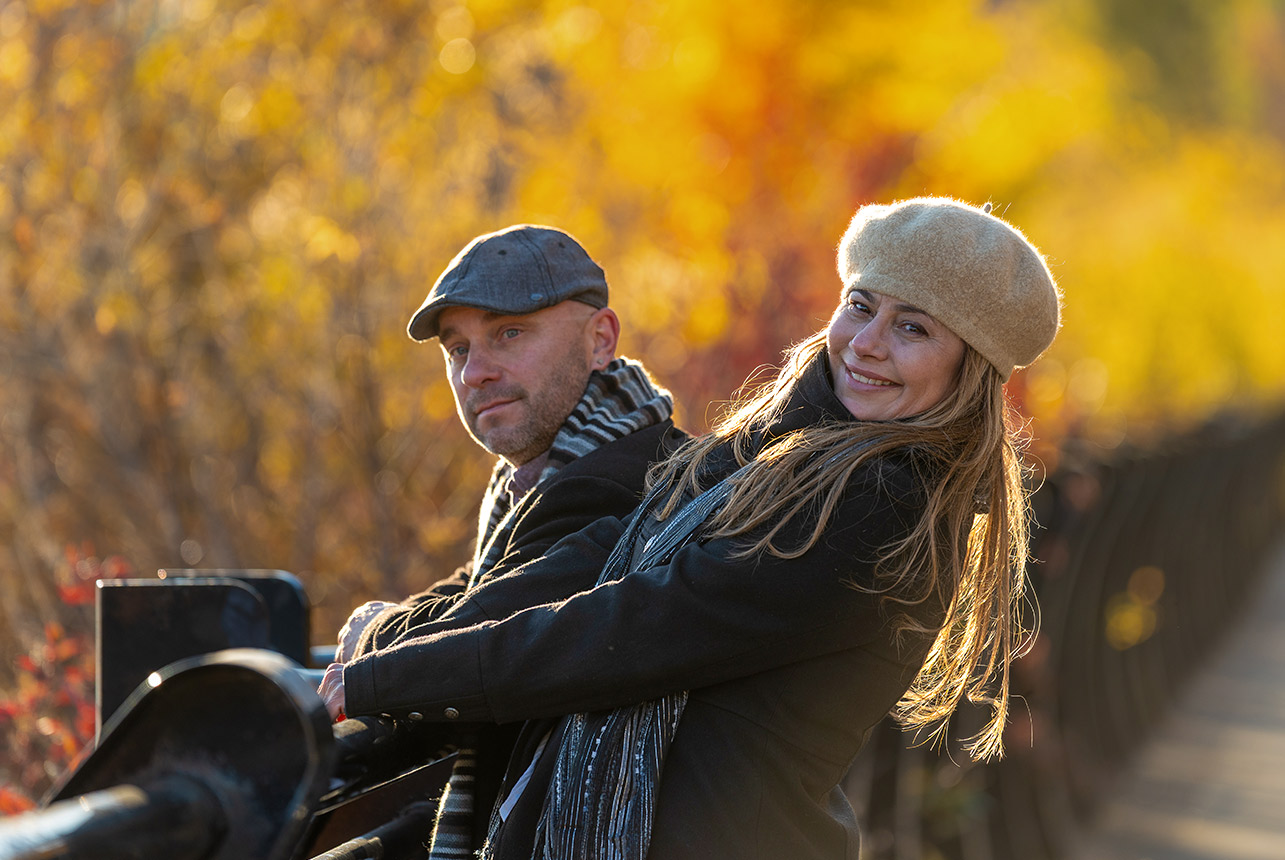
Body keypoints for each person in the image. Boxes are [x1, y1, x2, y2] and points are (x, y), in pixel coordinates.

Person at [320, 197, 1062, 860]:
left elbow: (631, 629)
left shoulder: (877, 504)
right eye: (859, 305)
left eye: (912, 328)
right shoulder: (774, 456)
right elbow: (601, 555)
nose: (866, 343)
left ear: (967, 370)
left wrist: (384, 678)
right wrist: (397, 641)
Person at [326, 224, 687, 859]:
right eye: (457, 349)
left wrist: (373, 636)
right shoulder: (543, 475)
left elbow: (486, 625)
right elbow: (481, 584)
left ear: (600, 339)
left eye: (509, 334)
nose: (475, 373)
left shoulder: (619, 478)